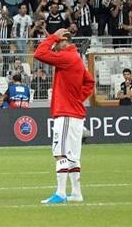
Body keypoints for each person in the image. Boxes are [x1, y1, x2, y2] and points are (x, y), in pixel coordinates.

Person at [34, 28, 95, 204]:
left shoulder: (67, 57)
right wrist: (78, 98)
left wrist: (52, 36)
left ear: (63, 41)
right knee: (73, 156)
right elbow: (89, 81)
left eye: (57, 42)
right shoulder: (76, 58)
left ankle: (60, 193)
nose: (54, 46)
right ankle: (76, 193)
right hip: (75, 113)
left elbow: (39, 53)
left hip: (66, 113)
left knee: (60, 153)